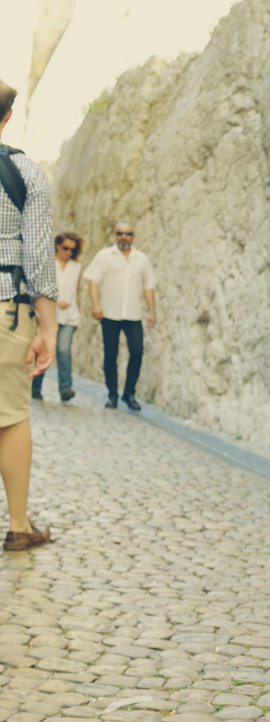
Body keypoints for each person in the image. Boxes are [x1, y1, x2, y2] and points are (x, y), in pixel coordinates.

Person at [0, 79, 58, 551]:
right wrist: (49, 328)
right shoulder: (26, 173)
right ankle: (18, 527)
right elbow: (39, 258)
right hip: (6, 309)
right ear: (8, 116)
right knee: (11, 416)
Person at [84, 220, 156, 410]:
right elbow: (93, 281)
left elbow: (148, 287)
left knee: (137, 352)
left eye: (128, 234)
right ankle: (112, 395)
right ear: (115, 235)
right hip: (109, 313)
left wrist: (152, 312)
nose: (124, 237)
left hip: (133, 315)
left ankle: (129, 393)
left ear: (133, 236)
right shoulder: (104, 256)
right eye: (120, 233)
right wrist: (96, 305)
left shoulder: (142, 259)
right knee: (110, 355)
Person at [32, 232, 83, 402]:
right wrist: (54, 303)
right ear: (57, 246)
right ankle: (35, 387)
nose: (69, 252)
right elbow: (39, 290)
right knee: (45, 350)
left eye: (72, 250)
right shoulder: (48, 264)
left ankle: (65, 388)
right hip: (49, 316)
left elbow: (77, 292)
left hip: (69, 317)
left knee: (64, 351)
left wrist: (77, 316)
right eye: (65, 248)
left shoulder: (76, 267)